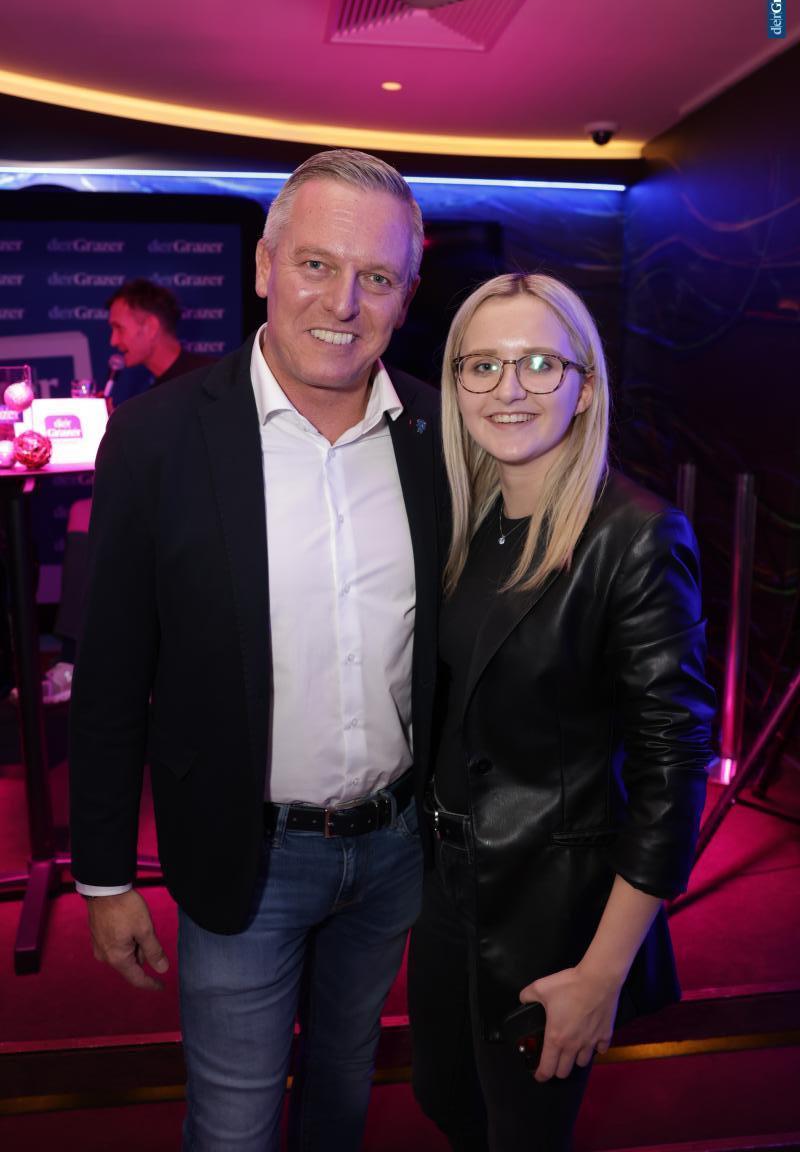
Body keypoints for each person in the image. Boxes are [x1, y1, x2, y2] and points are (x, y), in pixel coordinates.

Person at [69, 149, 444, 1151]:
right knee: (234, 1126)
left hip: (394, 851)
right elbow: (109, 676)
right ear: (265, 266)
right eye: (316, 264)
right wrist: (104, 876)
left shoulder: (438, 433)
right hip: (245, 853)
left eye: (376, 276)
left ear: (406, 295)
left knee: (341, 1095)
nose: (343, 302)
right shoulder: (154, 439)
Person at [408, 273, 715, 1151]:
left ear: (585, 387)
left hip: (552, 909)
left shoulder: (636, 534)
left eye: (541, 363)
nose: (508, 388)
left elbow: (672, 769)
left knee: (521, 1133)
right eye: (483, 365)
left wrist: (601, 973)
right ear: (456, 383)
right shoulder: (463, 523)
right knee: (446, 1102)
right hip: (445, 886)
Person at [24, 280, 211, 706]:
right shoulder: (152, 391)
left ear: (149, 327)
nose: (113, 341)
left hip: (198, 512)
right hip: (165, 506)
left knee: (86, 514)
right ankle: (75, 659)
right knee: (83, 512)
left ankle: (78, 661)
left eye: (119, 328)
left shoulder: (204, 375)